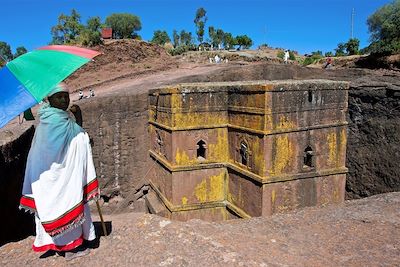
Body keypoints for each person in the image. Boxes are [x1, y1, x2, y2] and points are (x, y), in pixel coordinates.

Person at [20, 82, 99, 260]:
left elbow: (76, 136)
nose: (64, 100)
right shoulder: (56, 120)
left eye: (66, 96)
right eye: (59, 96)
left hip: (51, 176)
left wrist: (78, 118)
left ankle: (57, 244)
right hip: (56, 176)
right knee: (64, 202)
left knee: (54, 206)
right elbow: (78, 139)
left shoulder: (52, 119)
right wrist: (79, 122)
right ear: (50, 99)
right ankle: (69, 248)